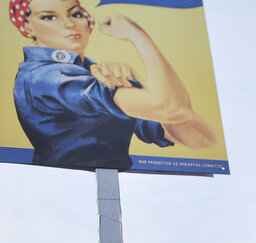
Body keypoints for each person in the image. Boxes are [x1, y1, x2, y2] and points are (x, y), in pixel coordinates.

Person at [9, 0, 215, 169]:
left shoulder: (91, 72)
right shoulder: (45, 77)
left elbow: (201, 139)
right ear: (28, 26)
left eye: (76, 14)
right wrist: (137, 34)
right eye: (49, 17)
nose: (69, 24)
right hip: (67, 189)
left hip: (116, 189)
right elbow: (171, 107)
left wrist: (136, 83)